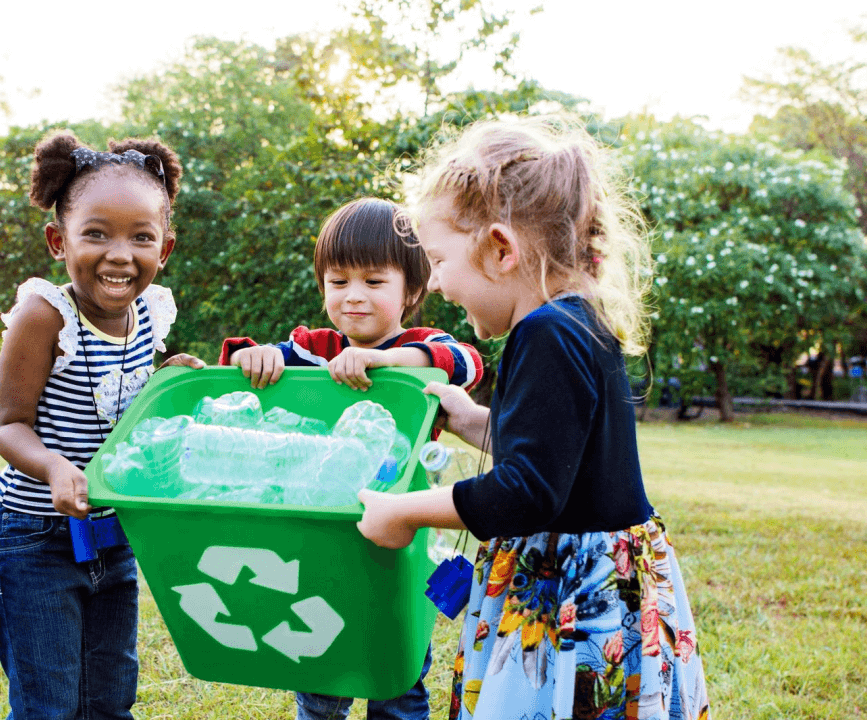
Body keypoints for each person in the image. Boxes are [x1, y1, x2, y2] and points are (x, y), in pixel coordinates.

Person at [356, 118, 710, 720]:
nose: (436, 284)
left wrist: (405, 511)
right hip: (607, 579)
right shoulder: (578, 320)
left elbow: (528, 492)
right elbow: (552, 458)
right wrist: (472, 420)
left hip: (570, 596)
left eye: (439, 261)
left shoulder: (543, 333)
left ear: (500, 250)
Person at [218, 197, 484, 720]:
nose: (353, 297)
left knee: (398, 674)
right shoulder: (314, 348)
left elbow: (463, 363)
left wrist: (385, 358)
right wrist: (255, 355)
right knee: (320, 666)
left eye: (373, 281)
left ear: (411, 289)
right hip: (323, 531)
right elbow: (238, 368)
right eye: (338, 282)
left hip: (402, 539)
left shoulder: (421, 345)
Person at [0, 130, 205, 720]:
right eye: (96, 233)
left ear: (166, 249)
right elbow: (8, 424)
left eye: (141, 238)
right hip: (35, 537)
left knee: (110, 695)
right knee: (48, 703)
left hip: (114, 535)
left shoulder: (150, 315)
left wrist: (171, 383)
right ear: (60, 240)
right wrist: (54, 465)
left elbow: (127, 410)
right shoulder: (44, 315)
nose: (119, 254)